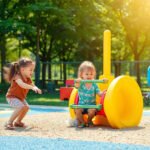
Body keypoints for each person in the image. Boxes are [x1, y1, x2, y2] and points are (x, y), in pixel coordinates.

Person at [3, 58, 42, 130]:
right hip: (12, 96)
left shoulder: (28, 78)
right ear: (22, 69)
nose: (32, 72)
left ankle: (18, 122)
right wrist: (32, 88)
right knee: (20, 107)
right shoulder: (17, 76)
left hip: (20, 97)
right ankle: (9, 122)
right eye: (30, 70)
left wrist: (36, 88)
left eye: (33, 70)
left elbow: (32, 85)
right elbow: (22, 85)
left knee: (26, 107)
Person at [74, 61, 107, 128]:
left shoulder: (94, 84)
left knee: (92, 110)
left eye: (91, 74)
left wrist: (103, 93)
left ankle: (89, 121)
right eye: (87, 74)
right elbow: (76, 86)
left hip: (91, 106)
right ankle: (82, 122)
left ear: (94, 75)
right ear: (81, 75)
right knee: (77, 109)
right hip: (82, 106)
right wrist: (78, 81)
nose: (89, 76)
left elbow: (99, 93)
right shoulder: (81, 83)